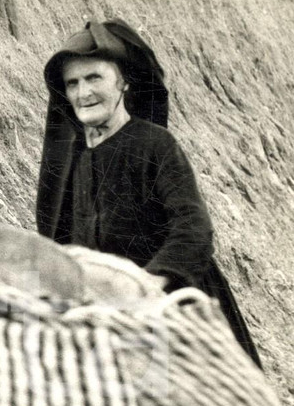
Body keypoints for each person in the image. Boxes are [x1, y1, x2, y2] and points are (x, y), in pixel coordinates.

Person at [35, 19, 263, 368]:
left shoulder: (155, 144)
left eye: (94, 77)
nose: (83, 93)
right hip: (111, 318)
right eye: (73, 83)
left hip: (173, 305)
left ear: (123, 81)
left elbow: (193, 228)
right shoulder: (75, 163)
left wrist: (145, 284)